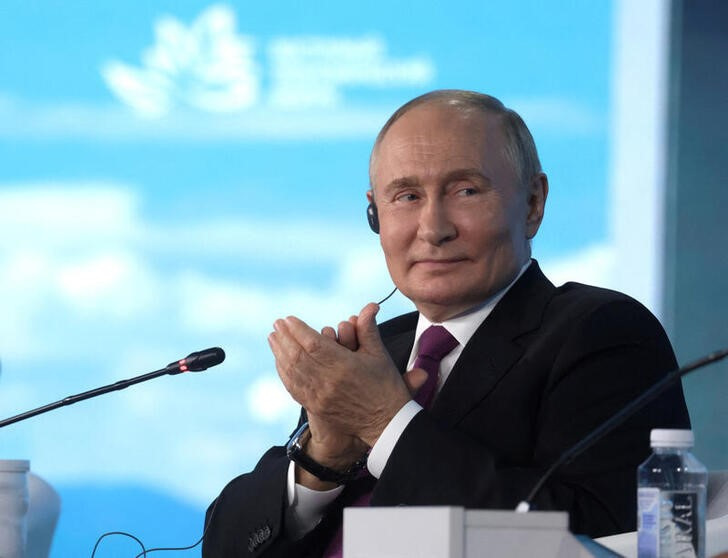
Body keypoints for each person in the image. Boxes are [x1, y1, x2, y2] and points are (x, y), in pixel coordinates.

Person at [201, 90, 690, 557]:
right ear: (376, 214)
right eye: (407, 197)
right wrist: (322, 461)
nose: (434, 228)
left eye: (466, 190)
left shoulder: (603, 332)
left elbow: (597, 536)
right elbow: (225, 546)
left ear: (533, 204)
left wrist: (385, 423)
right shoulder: (377, 351)